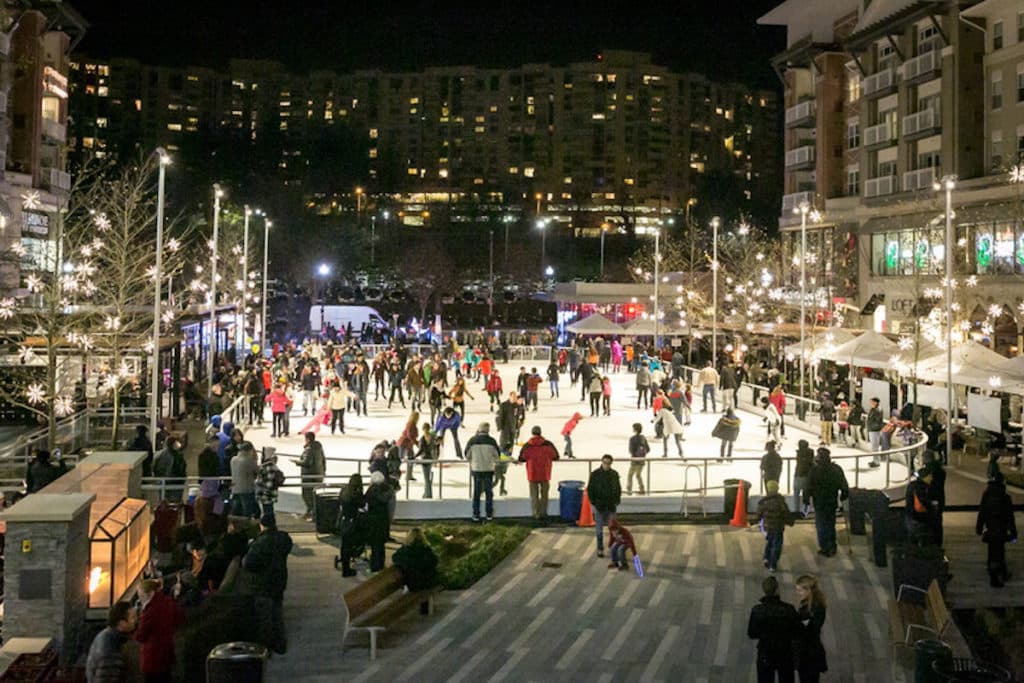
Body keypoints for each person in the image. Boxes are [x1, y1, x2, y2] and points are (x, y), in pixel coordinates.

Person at [242, 512, 293, 654]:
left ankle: (266, 647)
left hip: (263, 583)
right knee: (277, 612)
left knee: (265, 616)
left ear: (261, 525)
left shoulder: (259, 543)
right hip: (280, 579)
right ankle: (280, 643)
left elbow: (248, 563)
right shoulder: (284, 538)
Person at [746, 576, 799, 683]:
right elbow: (796, 631)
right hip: (785, 652)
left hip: (766, 652)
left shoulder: (757, 610)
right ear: (777, 590)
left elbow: (751, 633)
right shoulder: (789, 609)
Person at [803, 447, 849, 557]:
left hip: (819, 502)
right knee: (830, 524)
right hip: (831, 501)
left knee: (821, 524)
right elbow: (844, 484)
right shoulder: (836, 469)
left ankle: (824, 547)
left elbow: (808, 486)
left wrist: (806, 500)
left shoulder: (814, 470)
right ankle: (832, 546)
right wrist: (843, 496)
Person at [134, 579, 182, 683]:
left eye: (141, 595)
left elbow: (141, 635)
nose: (140, 598)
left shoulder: (150, 611)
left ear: (150, 593)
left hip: (152, 657)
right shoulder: (169, 602)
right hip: (168, 652)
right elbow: (179, 620)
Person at [976, 472, 1017, 588]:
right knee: (999, 552)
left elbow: (982, 513)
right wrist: (1013, 533)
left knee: (992, 551)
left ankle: (995, 572)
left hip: (990, 529)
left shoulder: (986, 495)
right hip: (1001, 530)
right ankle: (998, 575)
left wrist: (979, 528)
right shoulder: (1005, 498)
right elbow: (1010, 517)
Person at [86, 600, 137, 683]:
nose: (136, 620)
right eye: (133, 617)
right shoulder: (110, 643)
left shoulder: (112, 638)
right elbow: (107, 676)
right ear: (122, 623)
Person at [518, 425, 560, 525]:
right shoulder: (548, 444)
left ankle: (536, 514)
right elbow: (556, 456)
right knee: (544, 495)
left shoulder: (527, 445)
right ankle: (543, 513)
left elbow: (521, 458)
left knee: (534, 495)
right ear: (540, 433)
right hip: (545, 473)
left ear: (532, 433)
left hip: (532, 474)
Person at [794, 575, 828, 683]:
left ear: (808, 590)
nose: (798, 593)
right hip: (810, 649)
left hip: (809, 652)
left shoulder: (814, 608)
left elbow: (811, 628)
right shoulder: (812, 603)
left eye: (800, 590)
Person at [587, 454, 621, 558]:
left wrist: (616, 501)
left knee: (614, 529)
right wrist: (594, 502)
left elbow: (618, 489)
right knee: (599, 530)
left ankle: (614, 548)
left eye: (608, 463)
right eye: (605, 463)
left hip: (611, 506)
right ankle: (600, 548)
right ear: (602, 462)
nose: (606, 465)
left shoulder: (614, 474)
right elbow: (590, 489)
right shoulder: (595, 474)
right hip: (600, 506)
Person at [756, 480, 794, 573]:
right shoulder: (780, 502)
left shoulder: (764, 502)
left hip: (768, 526)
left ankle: (766, 557)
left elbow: (759, 514)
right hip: (778, 526)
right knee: (777, 545)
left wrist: (754, 521)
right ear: (777, 489)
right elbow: (786, 514)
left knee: (770, 541)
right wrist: (790, 522)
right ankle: (772, 564)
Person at [466, 422, 500, 522]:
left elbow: (467, 455)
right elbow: (497, 455)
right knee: (489, 492)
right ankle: (489, 514)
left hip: (476, 469)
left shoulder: (472, 441)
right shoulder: (492, 441)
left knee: (476, 492)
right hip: (488, 469)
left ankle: (476, 514)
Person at [392, 528, 439, 597]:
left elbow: (395, 559)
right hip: (428, 583)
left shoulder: (404, 551)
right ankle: (425, 606)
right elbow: (435, 561)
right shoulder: (426, 550)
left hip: (412, 583)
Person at [495, 392, 525, 495]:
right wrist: (500, 427)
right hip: (505, 429)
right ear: (510, 397)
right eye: (513, 397)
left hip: (512, 429)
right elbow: (500, 417)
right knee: (504, 447)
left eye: (516, 397)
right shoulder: (504, 405)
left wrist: (517, 426)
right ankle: (502, 462)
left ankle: (505, 462)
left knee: (509, 448)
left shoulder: (517, 406)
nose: (515, 398)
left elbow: (518, 416)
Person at [365, 471, 394, 571]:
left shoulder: (370, 491)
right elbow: (391, 507)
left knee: (374, 545)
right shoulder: (388, 490)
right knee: (381, 544)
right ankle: (381, 565)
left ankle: (374, 566)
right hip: (383, 520)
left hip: (372, 520)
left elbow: (365, 505)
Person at [337, 473, 365, 577]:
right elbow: (362, 503)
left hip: (344, 521)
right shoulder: (356, 493)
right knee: (351, 543)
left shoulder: (344, 490)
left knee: (345, 545)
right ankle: (348, 567)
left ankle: (345, 567)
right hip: (352, 522)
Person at [294, 432, 326, 521]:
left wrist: (297, 462)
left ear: (308, 439)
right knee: (314, 495)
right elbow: (323, 460)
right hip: (318, 474)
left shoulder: (309, 449)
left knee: (307, 495)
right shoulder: (319, 448)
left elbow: (307, 462)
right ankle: (310, 513)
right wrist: (323, 472)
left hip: (309, 476)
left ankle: (313, 515)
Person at [152, 436, 187, 503]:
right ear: (173, 444)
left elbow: (154, 468)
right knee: (175, 504)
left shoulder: (158, 454)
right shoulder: (178, 455)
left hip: (162, 483)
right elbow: (182, 468)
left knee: (164, 503)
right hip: (176, 483)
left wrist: (158, 480)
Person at [229, 441, 259, 518]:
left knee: (236, 509)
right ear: (249, 450)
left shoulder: (233, 459)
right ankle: (247, 525)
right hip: (247, 489)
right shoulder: (248, 460)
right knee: (247, 509)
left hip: (235, 488)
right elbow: (257, 471)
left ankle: (236, 524)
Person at [255, 449, 284, 524]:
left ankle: (271, 529)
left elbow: (269, 483)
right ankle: (272, 529)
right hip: (269, 494)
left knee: (268, 513)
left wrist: (259, 484)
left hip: (267, 495)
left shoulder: (268, 466)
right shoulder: (272, 465)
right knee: (269, 512)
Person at [416, 422, 439, 498]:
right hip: (430, 458)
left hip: (425, 458)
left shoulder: (423, 438)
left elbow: (421, 450)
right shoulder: (432, 438)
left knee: (426, 478)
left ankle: (428, 494)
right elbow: (436, 448)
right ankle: (427, 492)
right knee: (427, 477)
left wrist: (414, 456)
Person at [626, 422, 650, 495]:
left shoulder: (632, 439)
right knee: (638, 475)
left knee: (630, 475)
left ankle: (629, 490)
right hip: (642, 460)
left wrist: (634, 455)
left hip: (634, 460)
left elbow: (630, 450)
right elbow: (648, 449)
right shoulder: (643, 438)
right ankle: (642, 489)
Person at [792, 440, 814, 515]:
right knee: (805, 495)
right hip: (805, 476)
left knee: (798, 495)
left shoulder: (801, 453)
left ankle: (797, 511)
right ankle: (804, 512)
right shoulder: (809, 453)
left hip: (800, 476)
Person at [396, 411, 420, 482]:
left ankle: (409, 475)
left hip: (409, 445)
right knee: (399, 459)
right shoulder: (410, 424)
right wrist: (417, 443)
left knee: (411, 459)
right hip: (403, 444)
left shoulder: (413, 424)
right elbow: (409, 435)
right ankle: (394, 473)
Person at [866, 397, 884, 467]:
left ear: (875, 402)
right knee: (874, 447)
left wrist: (873, 427)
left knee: (875, 446)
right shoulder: (873, 409)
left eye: (872, 402)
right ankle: (874, 460)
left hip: (875, 430)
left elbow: (877, 421)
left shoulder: (877, 410)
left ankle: (876, 462)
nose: (870, 403)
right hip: (872, 429)